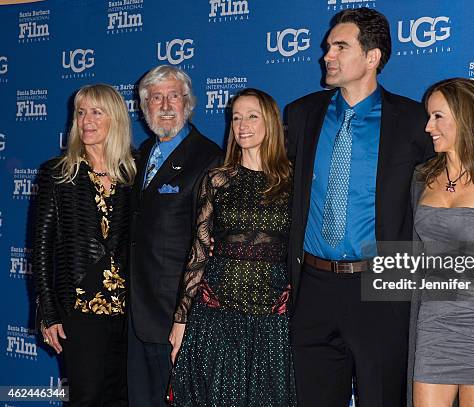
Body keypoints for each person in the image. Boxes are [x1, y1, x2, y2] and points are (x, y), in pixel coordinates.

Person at [286, 8, 433, 406]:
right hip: (313, 287)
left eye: (340, 46)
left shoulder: (414, 122)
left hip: (380, 289)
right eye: (327, 47)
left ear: (372, 58)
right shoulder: (301, 115)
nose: (326, 56)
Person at [167, 88, 294, 406]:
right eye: (236, 117)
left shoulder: (293, 180)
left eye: (252, 116)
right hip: (217, 309)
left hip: (273, 313)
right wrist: (181, 319)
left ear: (271, 123)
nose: (243, 124)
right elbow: (198, 251)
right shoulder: (217, 179)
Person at [33, 84, 136, 406]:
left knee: (121, 398)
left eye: (96, 112)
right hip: (80, 307)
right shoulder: (59, 173)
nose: (86, 121)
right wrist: (48, 312)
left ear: (115, 119)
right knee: (87, 398)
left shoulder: (133, 173)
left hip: (129, 311)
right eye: (80, 113)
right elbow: (41, 248)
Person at [408, 78, 474, 407]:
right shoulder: (422, 178)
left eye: (437, 116)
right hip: (434, 322)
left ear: (465, 118)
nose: (428, 126)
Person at [128, 65, 223, 407]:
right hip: (135, 315)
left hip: (177, 318)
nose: (165, 104)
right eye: (156, 97)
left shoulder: (209, 158)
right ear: (144, 107)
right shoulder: (138, 158)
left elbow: (211, 245)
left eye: (173, 96)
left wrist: (187, 317)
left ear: (189, 103)